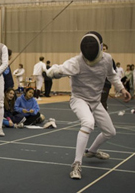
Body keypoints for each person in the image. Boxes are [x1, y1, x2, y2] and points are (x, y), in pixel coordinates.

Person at [46, 31, 131, 179]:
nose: (89, 51)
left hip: (95, 101)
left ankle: (91, 151)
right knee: (88, 123)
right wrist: (53, 72)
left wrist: (122, 89)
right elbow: (59, 69)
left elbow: (111, 75)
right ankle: (76, 164)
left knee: (110, 132)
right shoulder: (77, 62)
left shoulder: (107, 59)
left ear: (100, 47)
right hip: (79, 99)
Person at [100, 44, 116, 110]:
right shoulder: (95, 60)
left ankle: (104, 118)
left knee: (103, 101)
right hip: (96, 84)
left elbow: (113, 72)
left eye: (104, 49)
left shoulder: (110, 60)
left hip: (106, 84)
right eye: (101, 49)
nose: (103, 51)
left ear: (106, 50)